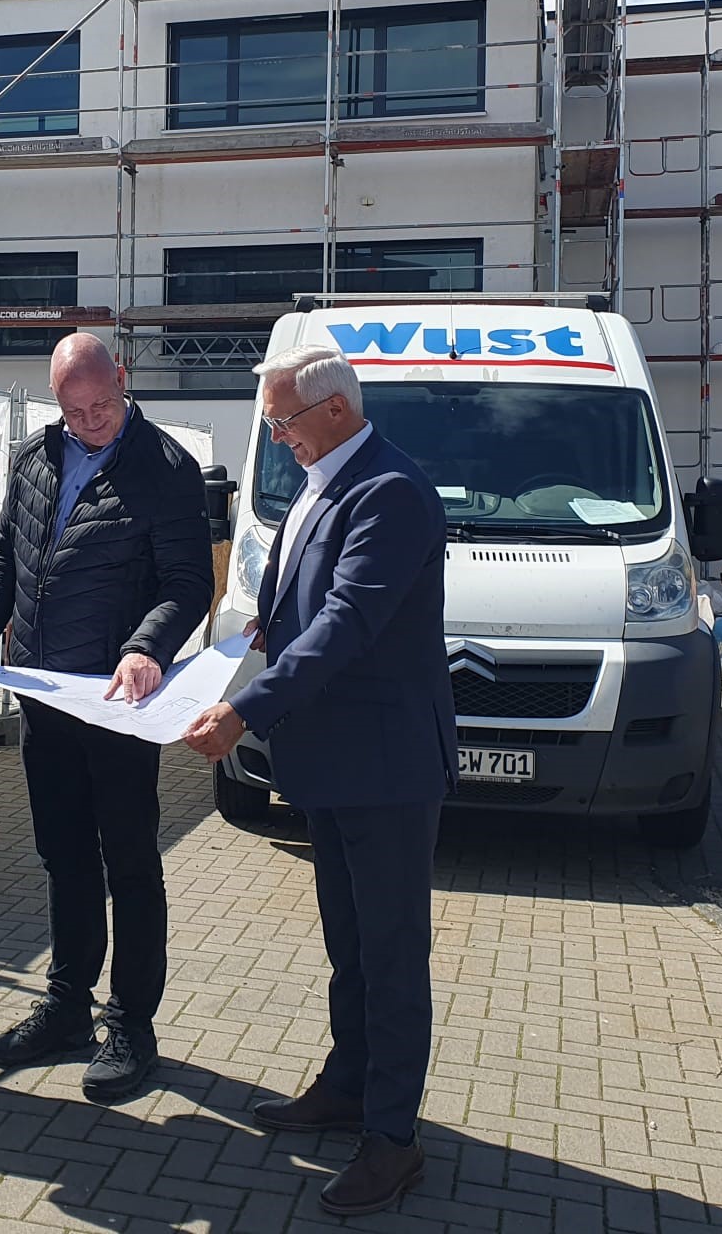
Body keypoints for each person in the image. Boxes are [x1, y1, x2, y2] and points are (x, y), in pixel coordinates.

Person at [183, 345, 457, 1218]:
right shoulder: (324, 476)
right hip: (338, 764)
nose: (275, 435)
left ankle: (393, 1140)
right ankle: (347, 1086)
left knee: (391, 956)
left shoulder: (389, 491)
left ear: (334, 410)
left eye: (283, 421)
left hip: (384, 766)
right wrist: (258, 631)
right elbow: (309, 598)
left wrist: (243, 713)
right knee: (351, 945)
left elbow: (347, 624)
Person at [0, 333, 211, 1102]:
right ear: (55, 401)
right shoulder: (36, 457)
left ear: (124, 382)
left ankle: (131, 1023)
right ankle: (68, 1006)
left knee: (129, 863)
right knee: (64, 858)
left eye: (103, 404)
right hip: (46, 700)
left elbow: (188, 583)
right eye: (75, 409)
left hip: (119, 704)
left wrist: (146, 648)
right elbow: (7, 550)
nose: (92, 420)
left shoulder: (166, 469)